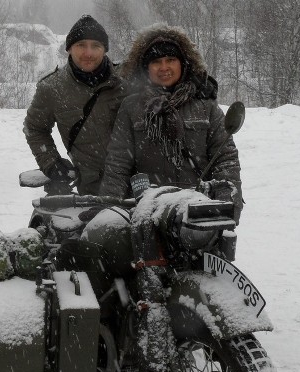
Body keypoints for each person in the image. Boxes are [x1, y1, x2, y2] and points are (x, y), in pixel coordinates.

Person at [98, 25, 242, 223]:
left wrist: (228, 202)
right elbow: (118, 163)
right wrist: (110, 209)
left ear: (183, 63)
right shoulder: (131, 107)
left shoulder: (205, 104)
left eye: (171, 60)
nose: (164, 67)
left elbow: (225, 158)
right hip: (147, 213)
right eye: (156, 62)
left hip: (198, 213)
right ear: (146, 69)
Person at [23, 15, 127, 195]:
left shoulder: (126, 80)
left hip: (141, 187)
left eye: (96, 46)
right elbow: (34, 128)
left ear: (105, 50)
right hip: (93, 190)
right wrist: (51, 163)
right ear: (69, 49)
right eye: (81, 45)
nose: (88, 53)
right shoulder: (52, 88)